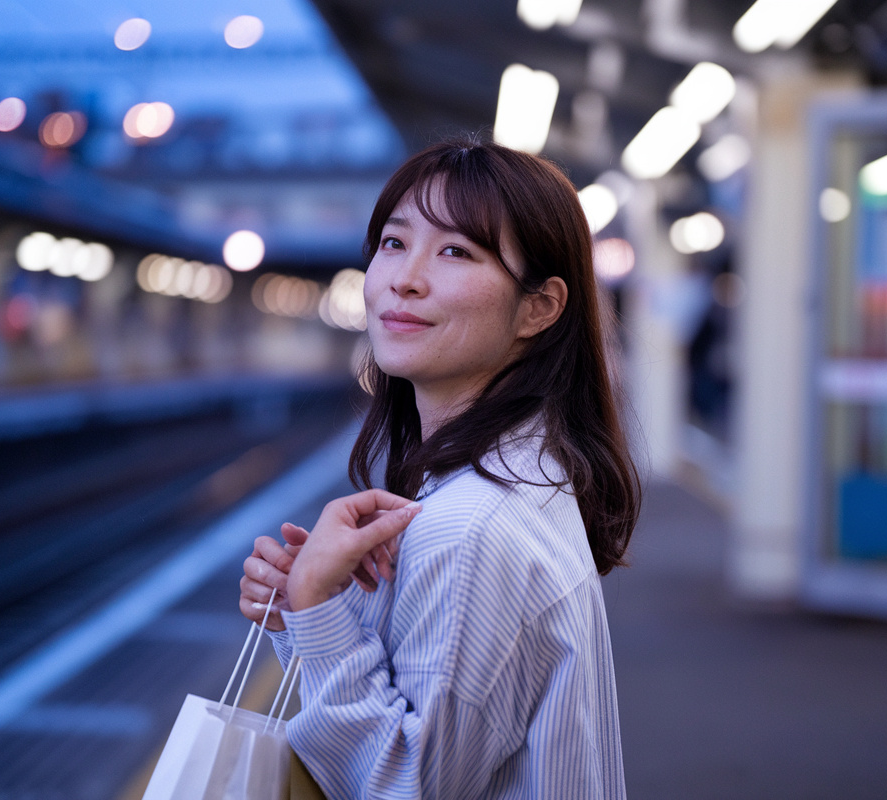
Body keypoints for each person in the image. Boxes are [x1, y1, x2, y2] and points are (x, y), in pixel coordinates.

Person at [239, 138, 641, 799]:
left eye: (456, 251)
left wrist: (318, 604)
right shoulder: (518, 478)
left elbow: (405, 783)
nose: (404, 277)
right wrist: (309, 609)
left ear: (539, 307)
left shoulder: (470, 527)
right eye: (394, 244)